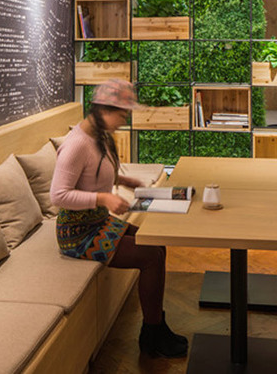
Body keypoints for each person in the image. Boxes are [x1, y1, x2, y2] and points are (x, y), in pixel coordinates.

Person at [50, 79, 188, 358]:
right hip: (78, 233)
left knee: (156, 243)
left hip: (97, 221)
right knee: (150, 257)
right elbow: (58, 195)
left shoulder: (99, 137)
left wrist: (124, 180)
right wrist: (104, 198)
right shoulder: (76, 145)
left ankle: (156, 326)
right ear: (103, 110)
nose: (124, 121)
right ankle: (151, 335)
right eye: (122, 114)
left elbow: (95, 174)